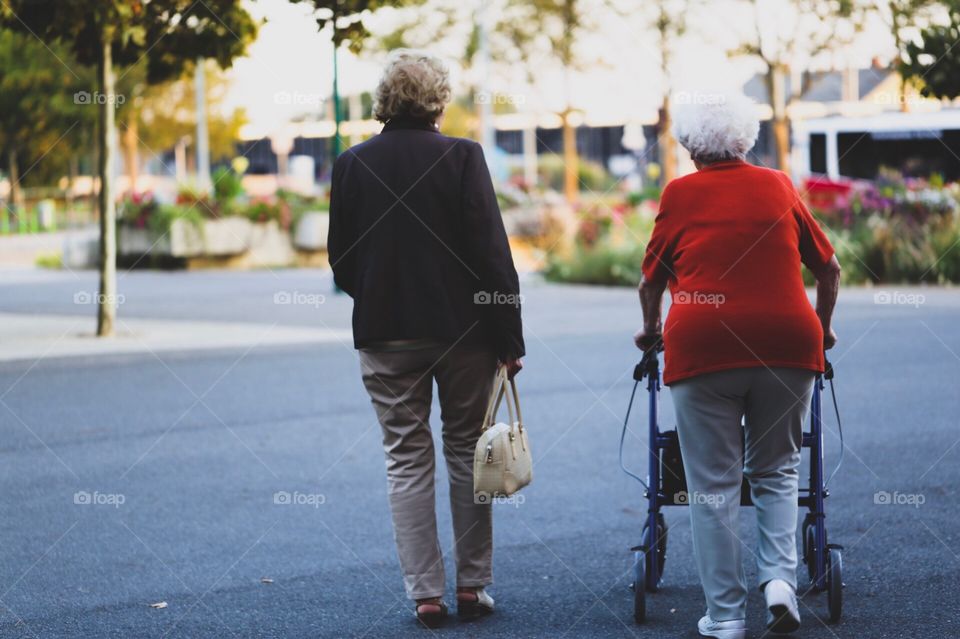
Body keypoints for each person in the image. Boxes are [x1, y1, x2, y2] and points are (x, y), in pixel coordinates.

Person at [327, 49, 524, 627]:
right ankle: (471, 586)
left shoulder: (351, 162)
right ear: (439, 99)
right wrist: (509, 338)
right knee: (469, 453)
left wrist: (378, 295)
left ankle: (425, 593)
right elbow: (493, 255)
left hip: (385, 333)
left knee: (406, 458)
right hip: (465, 332)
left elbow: (341, 259)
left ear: (384, 100)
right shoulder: (462, 156)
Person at [634, 93, 841, 639]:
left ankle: (725, 616)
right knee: (777, 472)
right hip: (788, 345)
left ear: (689, 145)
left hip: (703, 349)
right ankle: (778, 583)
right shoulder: (776, 185)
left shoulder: (680, 193)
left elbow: (650, 280)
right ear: (745, 138)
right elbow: (829, 268)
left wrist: (650, 331)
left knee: (713, 487)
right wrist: (824, 328)